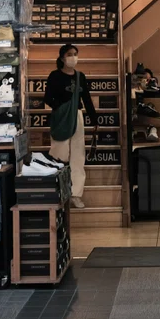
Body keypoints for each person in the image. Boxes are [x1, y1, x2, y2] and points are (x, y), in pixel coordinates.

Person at [44, 44, 98, 209]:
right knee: (59, 153)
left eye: (75, 54)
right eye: (69, 54)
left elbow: (86, 98)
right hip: (61, 118)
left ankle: (75, 194)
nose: (73, 57)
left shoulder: (80, 77)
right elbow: (48, 98)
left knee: (77, 156)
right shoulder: (54, 76)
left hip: (78, 116)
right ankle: (57, 192)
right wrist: (60, 108)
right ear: (62, 58)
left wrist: (94, 119)